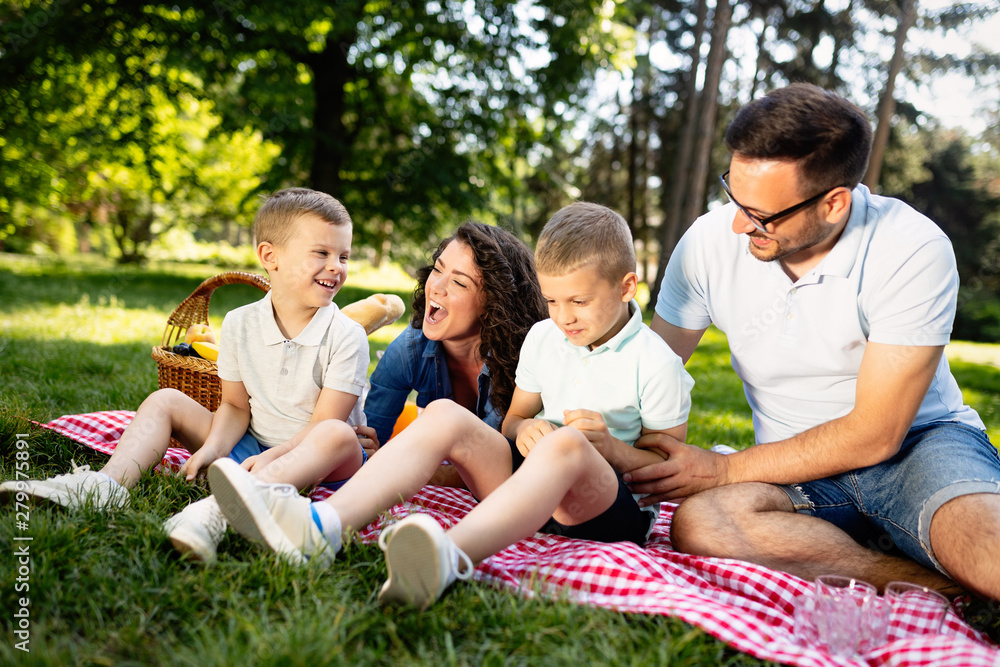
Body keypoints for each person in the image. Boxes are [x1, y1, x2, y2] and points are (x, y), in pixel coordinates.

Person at [206, 202, 694, 609]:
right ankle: (323, 527)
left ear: (627, 288)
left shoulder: (657, 363)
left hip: (602, 510)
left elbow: (669, 465)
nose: (562, 317)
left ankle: (448, 558)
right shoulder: (546, 338)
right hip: (521, 483)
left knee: (565, 446)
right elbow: (516, 419)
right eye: (552, 301)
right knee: (443, 414)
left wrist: (609, 447)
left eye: (579, 303)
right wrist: (521, 429)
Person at [625, 82, 1000, 600]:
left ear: (834, 204)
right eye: (733, 195)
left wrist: (726, 467)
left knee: (990, 552)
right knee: (702, 523)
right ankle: (929, 584)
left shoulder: (912, 248)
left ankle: (955, 566)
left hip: (920, 447)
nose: (737, 223)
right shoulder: (709, 243)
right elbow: (648, 370)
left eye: (760, 214)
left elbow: (877, 434)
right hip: (790, 468)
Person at [0, 188, 371, 564]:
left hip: (321, 461)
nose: (336, 266)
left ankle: (216, 512)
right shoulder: (241, 323)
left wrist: (272, 458)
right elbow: (234, 406)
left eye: (343, 256)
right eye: (321, 253)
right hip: (250, 445)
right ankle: (107, 484)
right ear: (269, 256)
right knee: (166, 400)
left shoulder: (346, 335)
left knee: (336, 434)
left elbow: (325, 423)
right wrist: (214, 448)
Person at [362, 222, 548, 470]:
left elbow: (508, 468)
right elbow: (368, 442)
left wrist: (418, 470)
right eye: (438, 270)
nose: (436, 288)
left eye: (459, 283)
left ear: (496, 304)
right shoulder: (409, 351)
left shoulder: (525, 358)